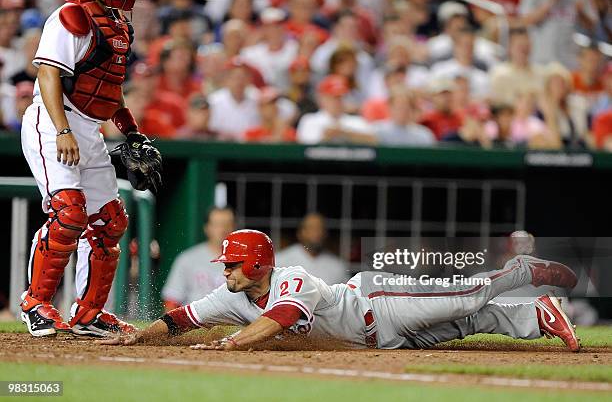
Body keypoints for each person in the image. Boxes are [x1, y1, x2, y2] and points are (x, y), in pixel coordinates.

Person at [103, 229, 580, 353]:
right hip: (382, 341)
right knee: (467, 323)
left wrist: (231, 342)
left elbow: (280, 321)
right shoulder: (229, 297)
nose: (225, 271)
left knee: (465, 298)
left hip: (378, 304)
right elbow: (178, 320)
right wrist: (138, 336)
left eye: (230, 264)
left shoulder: (291, 279)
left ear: (253, 263)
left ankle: (517, 270)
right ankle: (536, 315)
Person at [19, 0, 162, 338]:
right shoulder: (72, 15)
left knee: (110, 221)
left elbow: (110, 89)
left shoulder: (116, 23)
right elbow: (48, 73)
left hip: (89, 127)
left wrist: (132, 132)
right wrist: (62, 129)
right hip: (53, 120)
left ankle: (89, 313)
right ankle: (35, 303)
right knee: (68, 213)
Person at [162, 208, 236, 312]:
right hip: (194, 323)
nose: (222, 229)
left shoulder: (244, 261)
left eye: (227, 224)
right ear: (207, 228)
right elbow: (171, 301)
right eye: (217, 224)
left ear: (234, 227)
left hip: (232, 324)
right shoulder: (188, 259)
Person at [296, 75, 374, 144]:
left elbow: (373, 141)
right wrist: (326, 137)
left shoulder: (356, 121)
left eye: (340, 97)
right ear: (322, 98)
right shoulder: (310, 120)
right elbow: (304, 148)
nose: (337, 102)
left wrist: (344, 133)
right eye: (333, 97)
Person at [276, 213, 349, 285]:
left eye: (319, 228)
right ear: (300, 233)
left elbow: (346, 295)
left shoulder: (337, 266)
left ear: (325, 233)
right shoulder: (280, 261)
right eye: (311, 228)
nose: (316, 233)